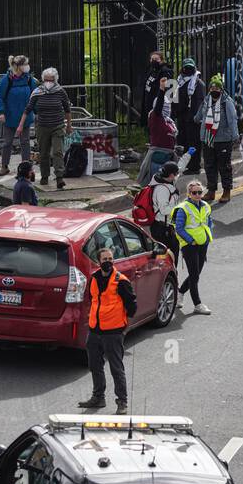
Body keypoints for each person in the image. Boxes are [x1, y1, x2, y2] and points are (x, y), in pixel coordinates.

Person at [79, 245, 137, 414]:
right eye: (105, 260)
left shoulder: (121, 281)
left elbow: (132, 306)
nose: (108, 262)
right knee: (94, 365)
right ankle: (98, 398)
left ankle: (122, 402)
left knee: (116, 368)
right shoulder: (94, 278)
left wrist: (122, 324)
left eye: (110, 259)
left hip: (113, 332)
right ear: (99, 261)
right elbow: (92, 299)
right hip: (95, 331)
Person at [194, 73, 239, 203]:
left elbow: (232, 120)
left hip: (223, 139)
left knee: (224, 166)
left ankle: (226, 191)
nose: (214, 90)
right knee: (209, 165)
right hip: (208, 139)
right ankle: (211, 190)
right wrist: (195, 119)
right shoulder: (206, 101)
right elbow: (199, 116)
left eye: (217, 88)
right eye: (212, 88)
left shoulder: (227, 102)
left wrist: (235, 136)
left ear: (221, 89)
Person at [27, 67, 73, 190]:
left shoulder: (60, 92)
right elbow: (29, 107)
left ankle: (59, 177)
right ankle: (44, 175)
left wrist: (69, 125)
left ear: (55, 80)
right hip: (42, 126)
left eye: (51, 80)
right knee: (44, 153)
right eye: (46, 80)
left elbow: (67, 110)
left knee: (58, 151)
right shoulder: (37, 92)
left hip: (57, 125)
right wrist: (22, 124)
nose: (48, 82)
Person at [174, 180, 213, 315]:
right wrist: (191, 241)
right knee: (194, 275)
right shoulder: (183, 208)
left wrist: (208, 236)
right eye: (194, 192)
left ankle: (179, 292)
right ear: (189, 194)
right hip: (189, 246)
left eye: (199, 192)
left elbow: (209, 221)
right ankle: (198, 304)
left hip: (203, 244)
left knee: (195, 274)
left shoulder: (206, 206)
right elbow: (178, 228)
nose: (197, 195)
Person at [0, 55, 37, 176]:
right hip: (10, 117)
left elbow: (35, 97)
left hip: (25, 118)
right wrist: (1, 112)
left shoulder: (29, 80)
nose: (27, 66)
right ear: (18, 66)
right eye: (25, 64)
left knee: (25, 142)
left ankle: (26, 166)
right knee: (7, 142)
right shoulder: (6, 80)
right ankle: (4, 166)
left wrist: (37, 111)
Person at [139, 77, 178, 185]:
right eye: (165, 106)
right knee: (157, 187)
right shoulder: (155, 117)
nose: (167, 108)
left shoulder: (168, 121)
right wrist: (162, 90)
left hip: (169, 159)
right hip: (158, 160)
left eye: (168, 106)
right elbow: (159, 106)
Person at [138, 161, 181, 259]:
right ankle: (171, 273)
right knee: (166, 257)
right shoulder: (162, 190)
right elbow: (164, 210)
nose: (178, 175)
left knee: (172, 253)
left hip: (167, 227)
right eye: (176, 173)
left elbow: (180, 168)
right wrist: (179, 209)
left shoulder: (165, 180)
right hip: (162, 230)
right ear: (171, 175)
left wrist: (188, 155)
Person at [174, 58, 206, 174]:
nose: (187, 69)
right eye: (185, 67)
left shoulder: (198, 83)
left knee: (194, 143)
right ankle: (186, 165)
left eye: (190, 67)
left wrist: (195, 118)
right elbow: (172, 100)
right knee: (183, 142)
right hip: (181, 118)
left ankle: (194, 166)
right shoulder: (177, 82)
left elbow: (200, 104)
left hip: (193, 120)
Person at [142, 50, 172, 126]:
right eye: (152, 59)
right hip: (149, 102)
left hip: (158, 104)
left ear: (161, 60)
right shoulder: (152, 70)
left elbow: (170, 91)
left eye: (156, 59)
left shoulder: (165, 71)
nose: (154, 61)